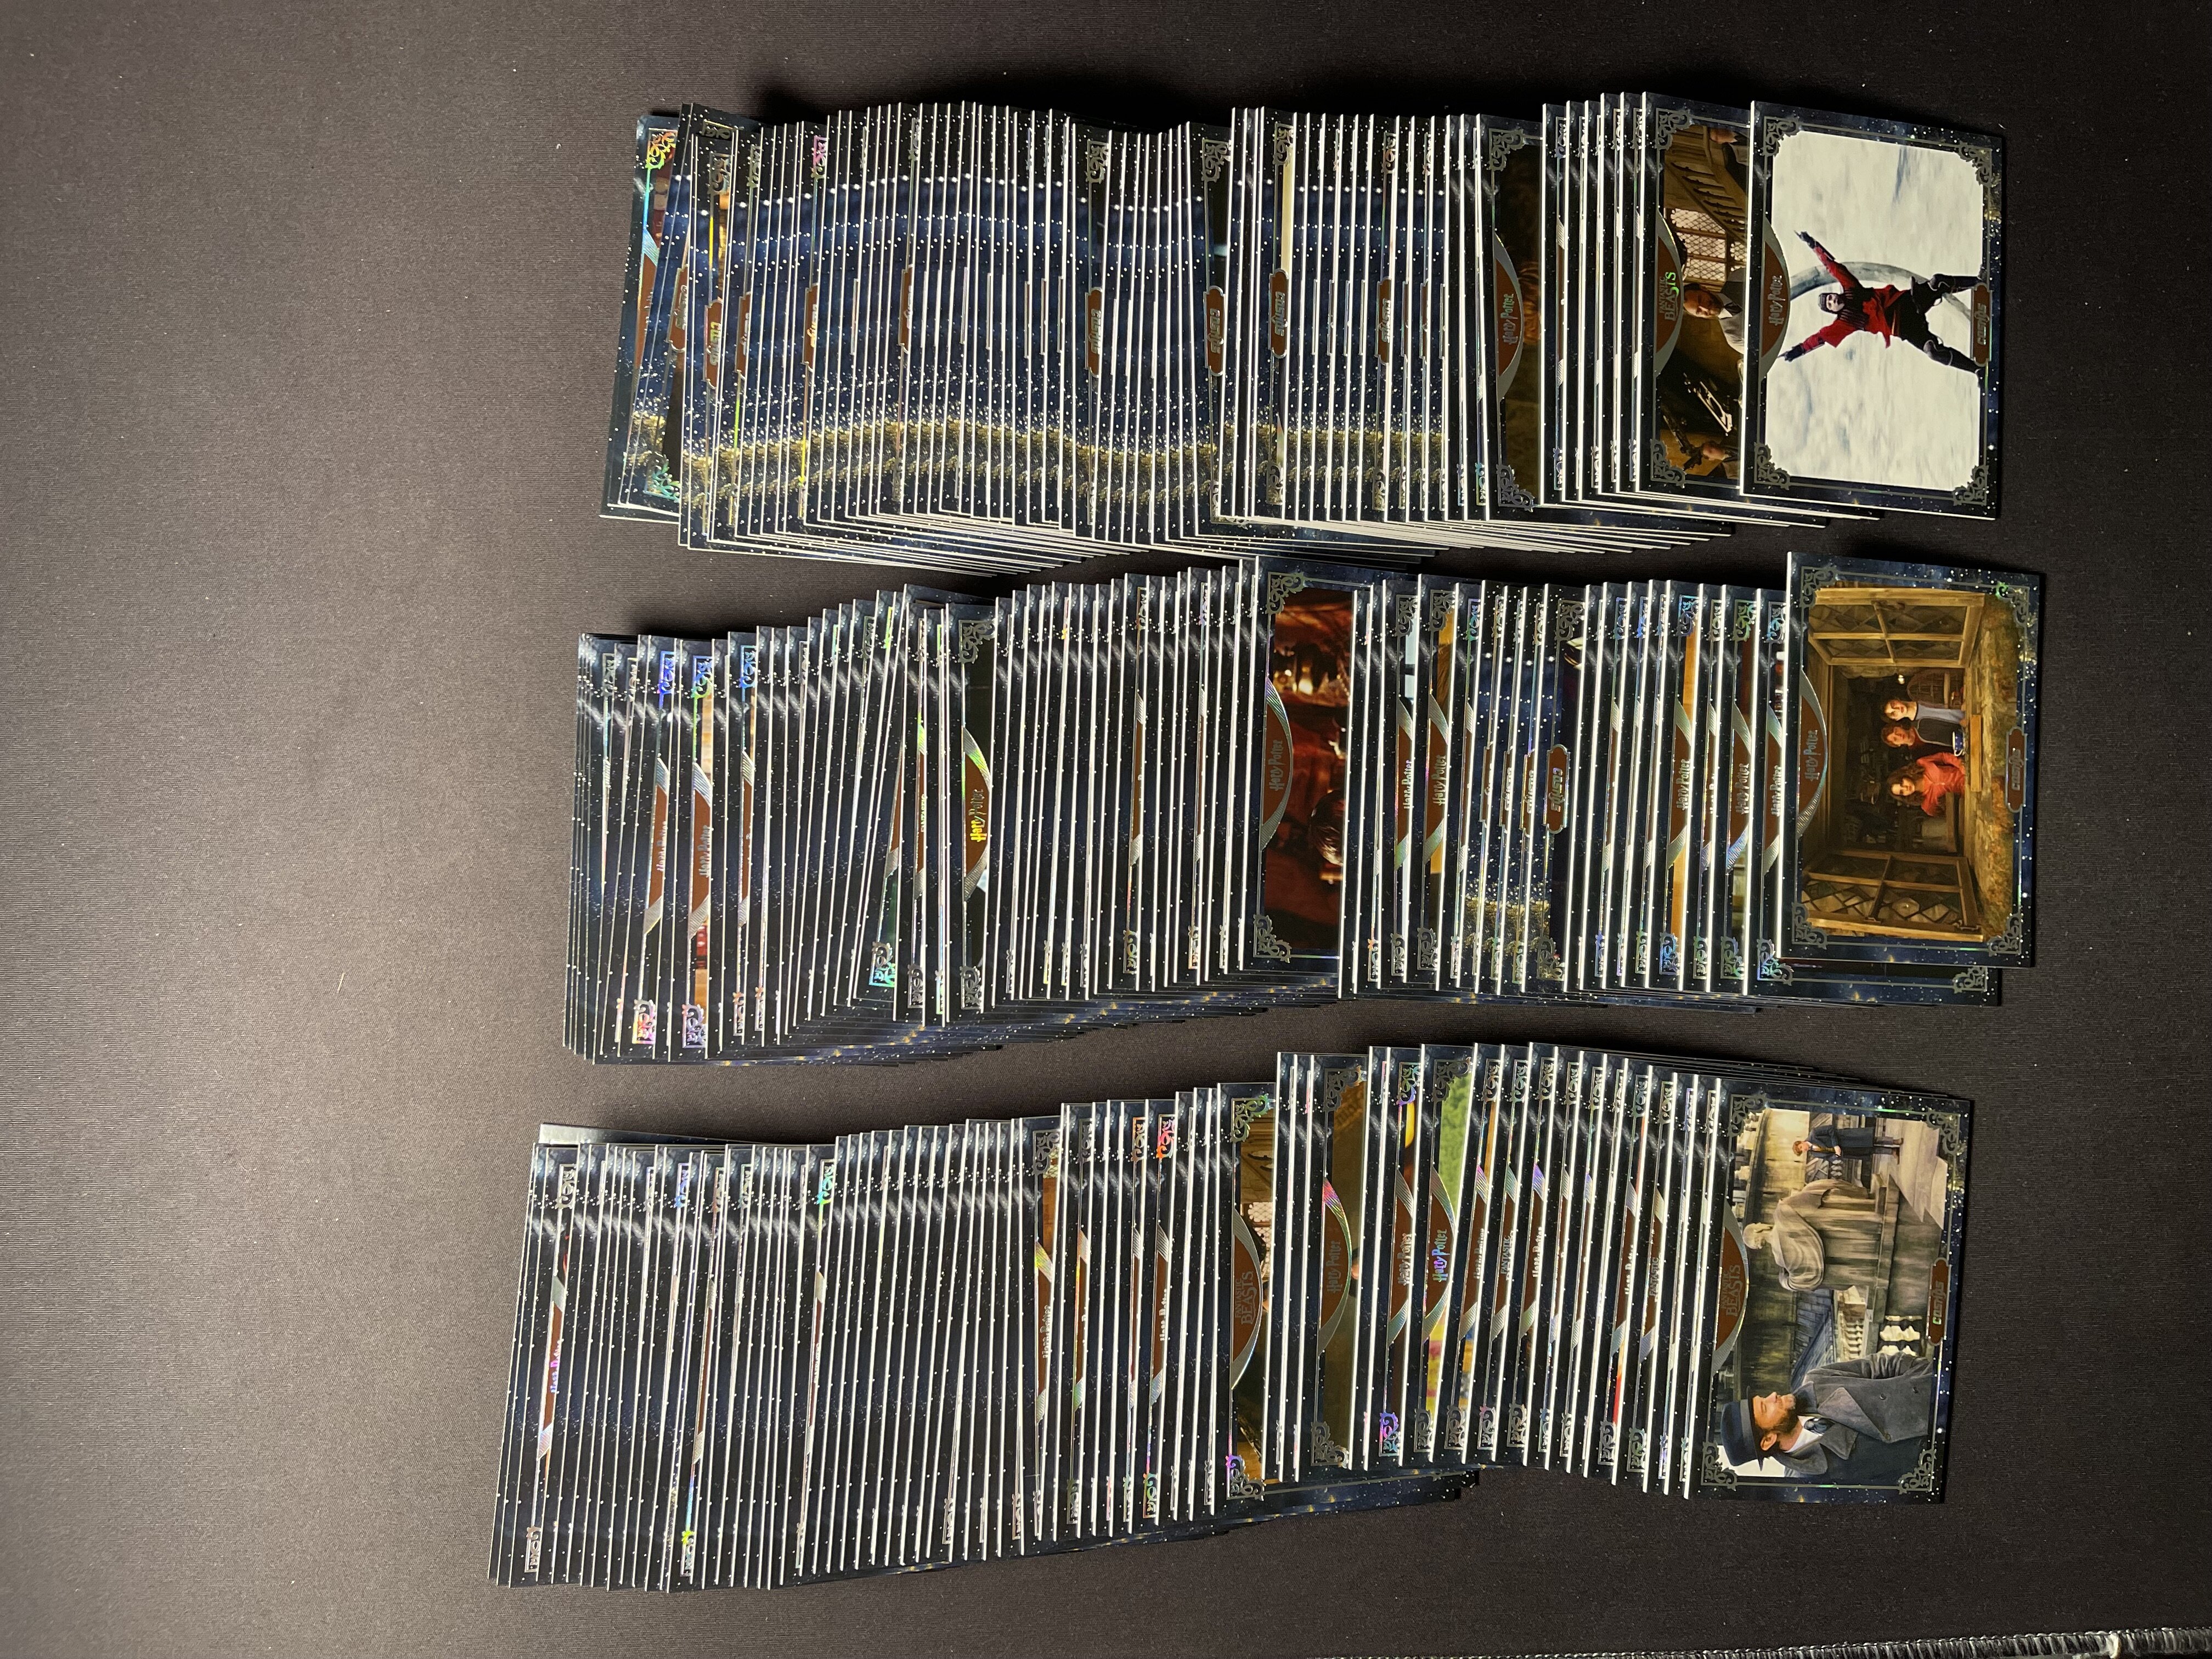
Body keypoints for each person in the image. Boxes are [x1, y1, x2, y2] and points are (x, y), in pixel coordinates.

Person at [1779, 232, 1982, 375]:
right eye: (1830, 304)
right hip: (1905, 328)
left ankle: (1980, 282)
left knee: (1937, 282)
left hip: (1908, 303)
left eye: (1831, 297)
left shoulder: (1852, 290)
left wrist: (1813, 245)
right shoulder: (1845, 323)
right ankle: (1977, 370)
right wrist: (1798, 351)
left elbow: (1832, 267)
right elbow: (1819, 338)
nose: (1833, 300)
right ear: (1832, 311)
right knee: (1933, 353)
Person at [1717, 1352, 1935, 1481]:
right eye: (1765, 1407)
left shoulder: (1816, 1380)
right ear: (1768, 1440)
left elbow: (1877, 1365)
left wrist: (1923, 1371)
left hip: (1936, 1396)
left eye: (1763, 1398)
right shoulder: (1808, 1479)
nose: (1773, 1395)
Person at [1742, 1177, 1885, 1293]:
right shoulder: (1782, 1212)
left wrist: (1784, 1282)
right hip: (1857, 1224)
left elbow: (1805, 1281)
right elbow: (1816, 1193)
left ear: (1759, 1246)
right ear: (1758, 1229)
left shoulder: (1781, 1259)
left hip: (1859, 1261)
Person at [1888, 752, 1967, 816]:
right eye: (1902, 792)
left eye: (1902, 783)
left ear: (1903, 776)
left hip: (1969, 773)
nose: (1906, 788)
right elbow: (1954, 817)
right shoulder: (1928, 807)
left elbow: (1943, 757)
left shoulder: (1922, 764)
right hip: (1970, 797)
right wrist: (1948, 806)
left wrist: (1960, 764)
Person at [1680, 282, 1745, 357]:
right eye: (1699, 311)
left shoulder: (1737, 279)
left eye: (1701, 299)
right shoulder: (1734, 339)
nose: (1706, 308)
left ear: (1704, 289)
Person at [1883, 696, 1967, 749]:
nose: (1897, 709)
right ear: (1897, 719)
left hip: (1967, 705)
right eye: (1893, 714)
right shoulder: (1921, 728)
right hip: (1967, 725)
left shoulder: (1919, 695)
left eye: (1893, 705)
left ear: (1896, 699)